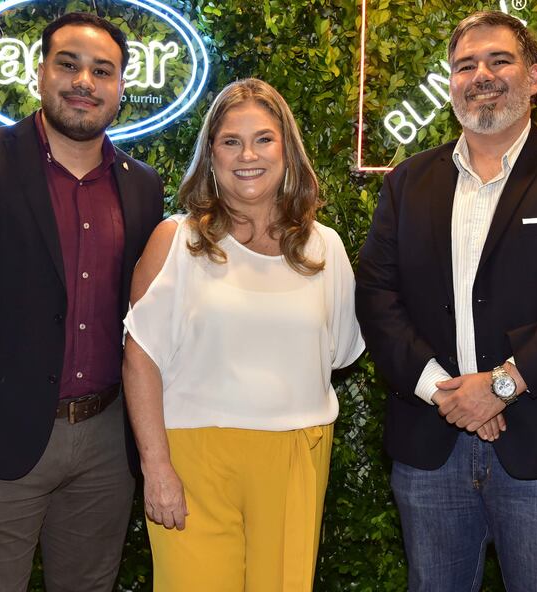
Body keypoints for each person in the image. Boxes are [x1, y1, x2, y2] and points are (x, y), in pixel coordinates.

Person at [355, 10, 537, 592]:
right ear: (451, 83)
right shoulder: (407, 182)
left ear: (534, 76)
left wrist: (502, 385)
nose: (481, 74)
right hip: (431, 447)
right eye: (465, 65)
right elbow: (377, 298)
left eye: (499, 60)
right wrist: (445, 392)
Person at [0, 12, 164, 591]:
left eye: (103, 70)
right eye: (68, 64)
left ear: (121, 86)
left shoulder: (142, 185)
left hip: (105, 443)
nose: (84, 82)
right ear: (40, 72)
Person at [122, 78, 364, 591]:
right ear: (211, 154)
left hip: (297, 453)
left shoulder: (327, 250)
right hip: (191, 461)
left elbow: (339, 352)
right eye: (231, 141)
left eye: (263, 139)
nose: (247, 154)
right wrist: (155, 466)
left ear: (287, 150)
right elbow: (138, 357)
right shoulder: (176, 241)